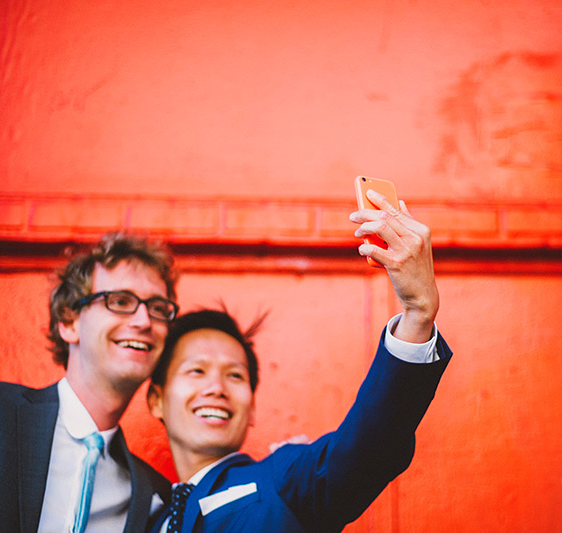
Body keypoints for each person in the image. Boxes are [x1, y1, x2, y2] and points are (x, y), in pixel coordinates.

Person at [145, 191, 453, 532]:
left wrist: (417, 314)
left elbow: (368, 447)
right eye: (197, 370)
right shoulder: (142, 517)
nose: (216, 388)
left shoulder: (286, 479)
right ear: (156, 399)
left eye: (235, 376)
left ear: (252, 408)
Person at [0, 233, 177, 532]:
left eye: (158, 308)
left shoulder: (153, 495)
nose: (143, 321)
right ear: (69, 322)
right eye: (120, 301)